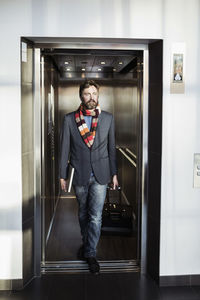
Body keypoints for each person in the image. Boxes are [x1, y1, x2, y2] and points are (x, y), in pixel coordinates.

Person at [59, 80, 118, 274]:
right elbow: (64, 149)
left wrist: (114, 173)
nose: (91, 97)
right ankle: (87, 243)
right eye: (87, 94)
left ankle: (91, 253)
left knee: (95, 216)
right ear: (81, 96)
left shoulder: (108, 118)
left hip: (101, 174)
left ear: (98, 96)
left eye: (94, 93)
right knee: (83, 213)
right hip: (79, 173)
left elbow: (111, 149)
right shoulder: (70, 119)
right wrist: (62, 175)